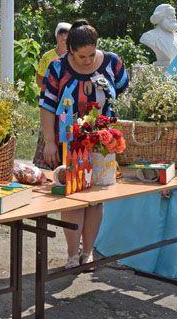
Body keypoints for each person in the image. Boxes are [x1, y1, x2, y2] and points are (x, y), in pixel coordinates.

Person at [38, 20, 129, 269]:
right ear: (69, 50)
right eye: (81, 56)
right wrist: (49, 142)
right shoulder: (56, 68)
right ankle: (71, 254)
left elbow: (123, 96)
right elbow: (46, 106)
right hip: (69, 143)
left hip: (103, 143)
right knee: (73, 196)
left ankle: (88, 253)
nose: (88, 61)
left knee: (96, 199)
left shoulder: (113, 63)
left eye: (91, 55)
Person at [33, 22, 71, 168]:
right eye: (61, 33)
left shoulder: (75, 55)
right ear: (56, 36)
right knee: (48, 131)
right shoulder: (47, 56)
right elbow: (39, 80)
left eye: (67, 33)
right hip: (51, 102)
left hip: (69, 105)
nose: (64, 37)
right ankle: (46, 164)